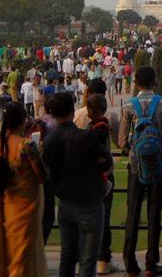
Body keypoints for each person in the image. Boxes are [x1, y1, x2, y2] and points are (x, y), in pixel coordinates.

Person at [43, 92, 113, 277]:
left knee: (67, 255)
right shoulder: (86, 137)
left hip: (65, 202)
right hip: (89, 201)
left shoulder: (50, 140)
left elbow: (46, 172)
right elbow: (106, 164)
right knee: (87, 260)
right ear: (72, 111)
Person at [118, 66, 162, 277]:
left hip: (136, 166)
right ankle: (152, 263)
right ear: (155, 81)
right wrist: (161, 152)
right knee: (155, 214)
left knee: (133, 213)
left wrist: (134, 153)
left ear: (136, 82)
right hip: (158, 167)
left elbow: (121, 140)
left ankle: (130, 264)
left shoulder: (128, 106)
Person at [0, 102, 47, 276]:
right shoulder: (27, 146)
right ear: (22, 121)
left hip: (5, 206)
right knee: (22, 255)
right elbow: (42, 177)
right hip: (26, 208)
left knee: (10, 253)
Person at [87, 93, 120, 275]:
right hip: (104, 176)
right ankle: (103, 258)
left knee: (98, 219)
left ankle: (100, 258)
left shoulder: (97, 127)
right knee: (103, 219)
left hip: (97, 177)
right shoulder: (101, 126)